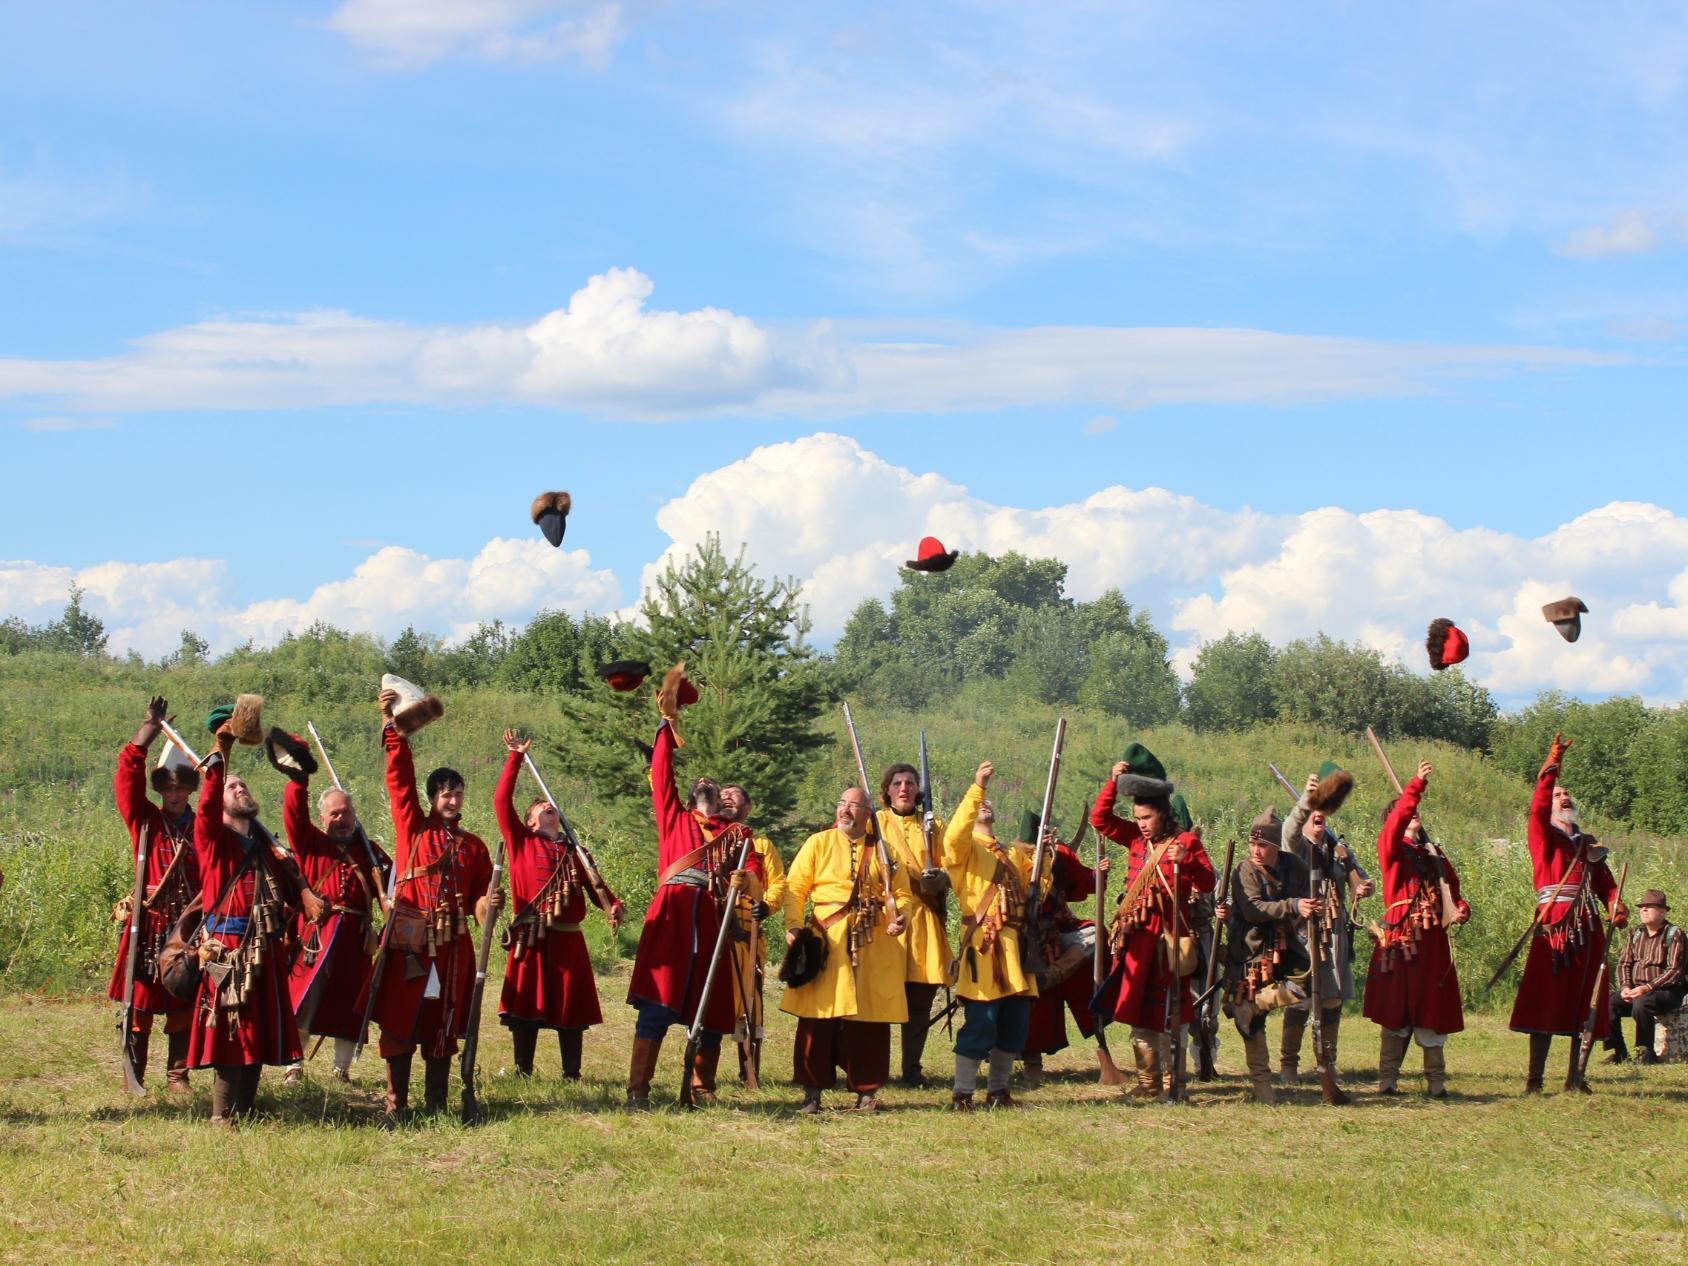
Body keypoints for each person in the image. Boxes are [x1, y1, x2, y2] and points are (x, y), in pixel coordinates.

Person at [625, 672, 762, 1109]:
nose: (706, 782)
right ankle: (638, 1091)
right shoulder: (675, 819)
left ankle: (701, 1090)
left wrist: (745, 881)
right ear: (688, 796)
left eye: (713, 783)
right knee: (656, 1007)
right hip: (673, 914)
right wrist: (666, 725)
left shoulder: (736, 834)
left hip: (713, 917)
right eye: (699, 783)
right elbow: (662, 770)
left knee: (713, 1013)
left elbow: (756, 872)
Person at [188, 711, 325, 1125]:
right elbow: (209, 801)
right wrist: (221, 753)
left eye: (243, 785)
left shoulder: (267, 847)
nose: (240, 788)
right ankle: (222, 1116)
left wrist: (297, 780)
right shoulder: (212, 838)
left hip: (264, 950)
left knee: (259, 1034)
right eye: (234, 786)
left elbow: (294, 867)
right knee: (233, 1034)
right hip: (227, 953)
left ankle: (245, 1111)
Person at [370, 687, 497, 1120]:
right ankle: (396, 1106)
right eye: (445, 793)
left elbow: (480, 901)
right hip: (410, 941)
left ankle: (438, 1103)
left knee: (442, 1023)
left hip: (452, 948)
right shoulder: (412, 827)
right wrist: (393, 729)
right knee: (402, 1021)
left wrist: (489, 905)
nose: (453, 800)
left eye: (458, 792)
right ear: (432, 798)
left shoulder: (475, 847)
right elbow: (398, 777)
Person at [495, 730, 625, 1080]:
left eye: (549, 805)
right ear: (531, 821)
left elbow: (597, 887)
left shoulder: (574, 850)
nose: (547, 806)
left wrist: (612, 905)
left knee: (571, 1009)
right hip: (531, 937)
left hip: (568, 939)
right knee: (526, 1007)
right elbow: (501, 802)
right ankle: (523, 1071)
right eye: (540, 806)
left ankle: (573, 1074)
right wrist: (515, 758)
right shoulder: (521, 841)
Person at [1090, 756, 1215, 1100]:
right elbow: (1099, 819)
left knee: (1169, 1013)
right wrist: (1112, 784)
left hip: (1166, 940)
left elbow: (1207, 881)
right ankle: (1148, 1085)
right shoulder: (1135, 839)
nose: (1142, 824)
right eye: (1137, 819)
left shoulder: (1185, 841)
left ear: (1162, 813)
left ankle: (1175, 1083)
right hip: (1136, 937)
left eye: (1147, 817)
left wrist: (1184, 861)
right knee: (1138, 1011)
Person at [781, 785, 912, 1113]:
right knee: (817, 1018)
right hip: (827, 938)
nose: (845, 811)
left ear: (868, 814)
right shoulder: (819, 843)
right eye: (842, 804)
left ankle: (867, 1092)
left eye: (854, 806)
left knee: (870, 1020)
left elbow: (903, 893)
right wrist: (794, 924)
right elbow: (795, 887)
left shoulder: (884, 850)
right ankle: (812, 1093)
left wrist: (900, 918)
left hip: (873, 940)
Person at [1509, 733, 1626, 1093]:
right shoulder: (1543, 836)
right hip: (1555, 927)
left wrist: (1614, 905)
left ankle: (1575, 1077)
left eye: (1566, 793)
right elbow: (1538, 805)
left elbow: (1605, 883)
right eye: (1559, 794)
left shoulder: (1588, 843)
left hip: (1588, 929)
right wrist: (1552, 762)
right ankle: (1534, 1081)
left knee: (1584, 1004)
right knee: (1544, 1003)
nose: (1564, 796)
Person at [273, 732, 385, 1084]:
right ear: (323, 817)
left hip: (356, 938)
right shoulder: (310, 842)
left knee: (350, 1005)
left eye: (347, 812)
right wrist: (299, 782)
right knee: (305, 998)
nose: (342, 818)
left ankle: (342, 1070)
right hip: (317, 935)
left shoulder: (370, 850)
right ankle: (294, 1065)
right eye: (335, 813)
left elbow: (393, 883)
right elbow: (293, 814)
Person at [1362, 760, 1470, 1097]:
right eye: (1406, 812)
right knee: (1396, 1014)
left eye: (1414, 812)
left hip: (1431, 945)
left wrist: (1462, 909)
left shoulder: (1433, 854)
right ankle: (1387, 1082)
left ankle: (1436, 1083)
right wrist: (1415, 788)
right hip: (1400, 939)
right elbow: (1395, 823)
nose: (1413, 815)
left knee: (1431, 1010)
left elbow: (1452, 890)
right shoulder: (1391, 849)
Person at [110, 695, 200, 1092]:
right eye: (169, 788)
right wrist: (149, 729)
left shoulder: (204, 826)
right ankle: (136, 1074)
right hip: (149, 923)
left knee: (182, 998)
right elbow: (127, 774)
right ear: (161, 788)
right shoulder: (145, 819)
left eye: (182, 788)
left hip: (187, 924)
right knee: (141, 1003)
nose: (175, 795)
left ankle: (177, 1074)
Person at [938, 762, 1039, 1110]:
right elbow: (953, 836)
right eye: (979, 804)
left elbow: (1032, 891)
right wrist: (976, 787)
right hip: (984, 946)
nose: (985, 806)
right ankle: (962, 1095)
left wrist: (1044, 857)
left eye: (986, 802)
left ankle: (998, 1091)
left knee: (1014, 1025)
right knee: (981, 1024)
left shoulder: (1010, 854)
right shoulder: (962, 850)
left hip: (1017, 949)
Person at [1279, 767, 1374, 1090]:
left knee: (1332, 1000)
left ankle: (1327, 1062)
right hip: (1305, 933)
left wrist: (1363, 887)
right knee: (1300, 999)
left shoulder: (1338, 849)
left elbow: (1359, 877)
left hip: (1334, 933)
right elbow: (1290, 829)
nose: (1318, 819)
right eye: (1313, 815)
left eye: (1322, 814)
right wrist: (1305, 802)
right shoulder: (1297, 846)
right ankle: (1288, 1065)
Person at [1223, 809, 1314, 1104]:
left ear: (1276, 846)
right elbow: (1253, 910)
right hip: (1250, 947)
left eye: (1262, 845)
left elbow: (1304, 898)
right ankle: (1263, 1087)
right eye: (1252, 844)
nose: (1256, 850)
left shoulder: (1296, 866)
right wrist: (1293, 905)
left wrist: (1310, 909)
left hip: (1284, 942)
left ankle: (1252, 1006)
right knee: (1252, 1026)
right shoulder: (1244, 871)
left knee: (1305, 981)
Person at [875, 762, 953, 1087]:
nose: (904, 788)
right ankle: (871, 1071)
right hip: (886, 919)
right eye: (897, 783)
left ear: (918, 790)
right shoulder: (876, 823)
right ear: (887, 791)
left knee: (920, 999)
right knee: (876, 998)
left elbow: (952, 865)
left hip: (924, 920)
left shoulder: (934, 826)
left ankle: (911, 1070)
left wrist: (941, 878)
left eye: (909, 783)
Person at [719, 783, 781, 1083]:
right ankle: (702, 1074)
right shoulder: (708, 842)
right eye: (723, 795)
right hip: (714, 923)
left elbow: (779, 884)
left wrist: (766, 906)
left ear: (748, 806)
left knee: (750, 1000)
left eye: (735, 795)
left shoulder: (761, 845)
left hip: (747, 926)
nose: (728, 799)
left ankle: (749, 1070)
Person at [1605, 890, 1685, 1065]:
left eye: (1650, 907)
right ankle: (1619, 1052)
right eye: (1642, 907)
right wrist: (1626, 987)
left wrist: (1646, 988)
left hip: (1667, 992)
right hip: (1636, 990)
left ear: (1663, 911)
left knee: (1642, 1003)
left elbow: (1674, 971)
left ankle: (1646, 1052)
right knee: (1608, 1003)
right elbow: (1624, 963)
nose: (1644, 910)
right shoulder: (1635, 933)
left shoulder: (1674, 934)